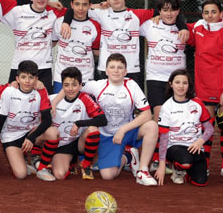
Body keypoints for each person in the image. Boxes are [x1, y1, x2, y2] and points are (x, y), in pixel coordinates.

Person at [57, 53, 158, 185]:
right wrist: (53, 103)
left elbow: (147, 114)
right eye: (112, 67)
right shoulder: (97, 85)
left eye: (120, 67)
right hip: (107, 135)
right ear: (106, 71)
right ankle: (128, 157)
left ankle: (142, 171)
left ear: (125, 71)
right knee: (108, 175)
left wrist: (123, 130)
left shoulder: (131, 85)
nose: (116, 70)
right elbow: (72, 86)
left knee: (152, 126)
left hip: (126, 131)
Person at [60, 0, 187, 85]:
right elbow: (75, 9)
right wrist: (66, 22)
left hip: (130, 68)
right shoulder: (101, 14)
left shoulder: (137, 15)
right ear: (107, 0)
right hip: (107, 68)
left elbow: (167, 12)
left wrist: (182, 27)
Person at [187, 0, 223, 178]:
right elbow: (178, 24)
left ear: (221, 14)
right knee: (207, 128)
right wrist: (157, 17)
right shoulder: (198, 28)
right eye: (206, 12)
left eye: (214, 12)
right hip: (203, 87)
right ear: (202, 14)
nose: (210, 15)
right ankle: (205, 166)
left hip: (222, 89)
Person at [0, 60, 56, 181]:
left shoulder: (41, 91)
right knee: (21, 174)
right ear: (17, 79)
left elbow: (47, 120)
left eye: (31, 77)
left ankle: (42, 167)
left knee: (53, 133)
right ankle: (22, 158)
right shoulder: (9, 92)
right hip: (11, 136)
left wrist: (31, 137)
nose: (27, 81)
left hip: (31, 133)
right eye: (23, 77)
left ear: (36, 79)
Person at [1, 0, 67, 92]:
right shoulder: (17, 12)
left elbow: (79, 10)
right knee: (13, 100)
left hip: (43, 68)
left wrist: (66, 22)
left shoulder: (54, 12)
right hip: (19, 67)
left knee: (44, 102)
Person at [154, 70, 214, 186]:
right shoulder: (167, 107)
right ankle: (178, 170)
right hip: (174, 147)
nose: (181, 86)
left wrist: (200, 141)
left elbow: (210, 128)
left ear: (189, 85)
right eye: (177, 82)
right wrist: (161, 165)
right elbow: (163, 138)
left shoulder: (197, 103)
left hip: (194, 147)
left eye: (185, 83)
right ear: (171, 84)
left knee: (200, 182)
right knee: (185, 161)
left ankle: (188, 173)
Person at [49, 67, 106, 180]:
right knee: (59, 175)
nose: (70, 89)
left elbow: (102, 120)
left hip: (78, 142)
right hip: (61, 146)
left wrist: (78, 123)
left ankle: (86, 164)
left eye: (74, 85)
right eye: (66, 85)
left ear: (80, 85)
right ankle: (71, 161)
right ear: (62, 86)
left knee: (93, 130)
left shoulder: (85, 99)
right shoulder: (52, 99)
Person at [140, 0, 187, 122]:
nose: (169, 14)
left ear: (178, 11)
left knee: (178, 116)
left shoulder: (185, 29)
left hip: (178, 79)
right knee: (159, 116)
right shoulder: (150, 25)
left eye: (172, 10)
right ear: (159, 11)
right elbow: (127, 24)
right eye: (165, 10)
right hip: (155, 78)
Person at [51, 0, 101, 92]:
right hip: (61, 77)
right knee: (58, 102)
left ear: (90, 6)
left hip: (85, 78)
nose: (80, 8)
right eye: (77, 4)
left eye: (84, 4)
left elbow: (97, 52)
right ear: (72, 5)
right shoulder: (59, 22)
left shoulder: (95, 26)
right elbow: (52, 43)